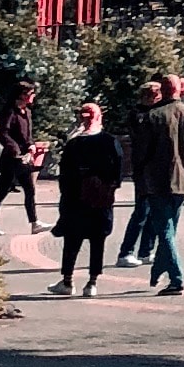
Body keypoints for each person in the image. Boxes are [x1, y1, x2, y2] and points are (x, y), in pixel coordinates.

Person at [128, 75, 184, 295]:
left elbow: (141, 153)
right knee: (169, 228)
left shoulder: (153, 117)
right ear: (180, 89)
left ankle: (176, 278)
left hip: (158, 179)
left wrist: (139, 174)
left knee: (165, 230)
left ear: (162, 91)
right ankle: (161, 268)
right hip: (183, 180)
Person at [53, 98, 124, 294]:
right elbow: (118, 171)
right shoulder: (110, 141)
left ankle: (67, 281)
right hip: (101, 198)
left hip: (75, 198)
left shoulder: (75, 143)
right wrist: (109, 189)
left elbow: (65, 173)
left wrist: (65, 197)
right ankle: (92, 283)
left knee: (72, 240)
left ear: (81, 118)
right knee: (97, 240)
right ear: (100, 116)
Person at [0, 82, 46, 237]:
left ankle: (34, 223)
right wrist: (15, 150)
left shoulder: (27, 112)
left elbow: (28, 135)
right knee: (3, 190)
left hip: (24, 158)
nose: (33, 97)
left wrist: (31, 145)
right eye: (31, 93)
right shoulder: (10, 111)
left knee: (29, 190)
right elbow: (3, 134)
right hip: (12, 159)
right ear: (22, 95)